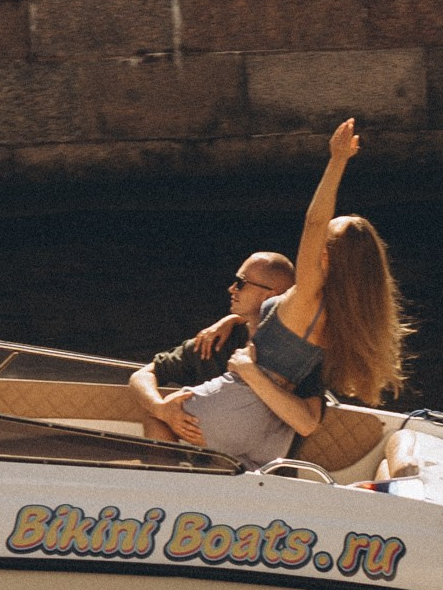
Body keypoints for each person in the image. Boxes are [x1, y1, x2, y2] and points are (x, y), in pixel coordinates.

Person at [130, 119, 408, 463]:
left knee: (157, 417)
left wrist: (337, 161)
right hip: (270, 431)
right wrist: (232, 320)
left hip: (238, 400)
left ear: (328, 254)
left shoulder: (309, 296)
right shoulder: (345, 317)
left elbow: (313, 221)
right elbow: (280, 331)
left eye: (324, 239)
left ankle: (169, 508)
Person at [125, 249, 294, 423]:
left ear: (270, 295)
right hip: (212, 438)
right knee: (156, 418)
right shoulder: (215, 341)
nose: (231, 289)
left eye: (241, 283)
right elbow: (142, 375)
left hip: (261, 442)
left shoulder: (295, 348)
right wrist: (160, 409)